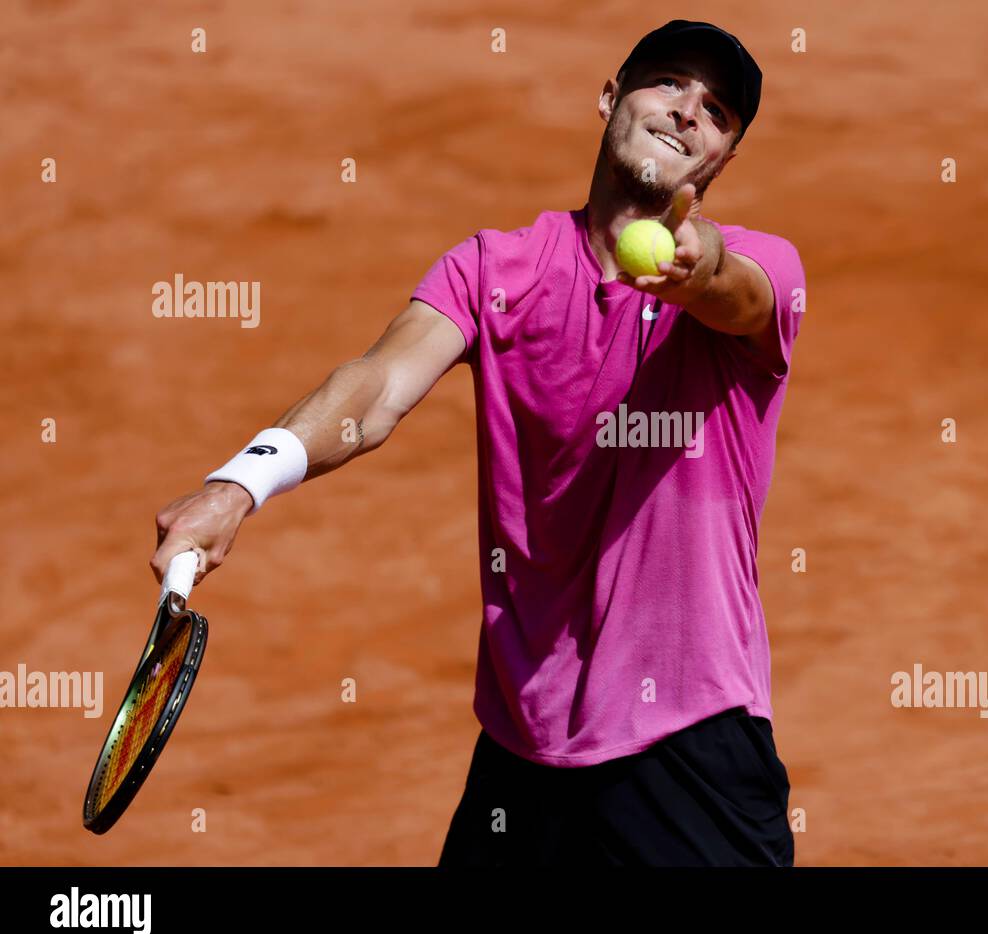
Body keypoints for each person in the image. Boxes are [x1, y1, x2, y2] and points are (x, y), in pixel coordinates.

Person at [151, 19, 806, 866]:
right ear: (610, 96)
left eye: (716, 113)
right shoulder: (495, 270)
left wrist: (700, 270)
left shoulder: (762, 271)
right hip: (524, 750)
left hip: (691, 745)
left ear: (721, 163)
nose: (687, 112)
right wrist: (239, 485)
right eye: (668, 83)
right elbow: (377, 386)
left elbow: (738, 292)